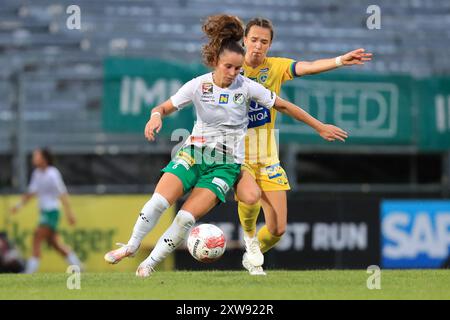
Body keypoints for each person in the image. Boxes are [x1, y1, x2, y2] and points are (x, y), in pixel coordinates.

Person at [103, 14, 348, 277]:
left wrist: (319, 126)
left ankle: (149, 264)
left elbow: (285, 106)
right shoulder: (198, 85)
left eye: (238, 69)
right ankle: (130, 246)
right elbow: (163, 107)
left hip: (226, 166)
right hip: (194, 154)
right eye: (229, 67)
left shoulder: (248, 86)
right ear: (215, 62)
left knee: (186, 218)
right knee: (159, 202)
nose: (233, 74)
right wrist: (155, 117)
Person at [235, 17, 373, 275]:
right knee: (250, 196)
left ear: (270, 45)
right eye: (253, 40)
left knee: (278, 229)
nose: (257, 46)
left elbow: (308, 67)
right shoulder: (231, 67)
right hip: (238, 154)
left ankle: (251, 252)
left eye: (264, 42)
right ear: (244, 40)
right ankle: (250, 240)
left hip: (267, 156)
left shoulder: (274, 68)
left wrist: (340, 61)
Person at [10, 148, 82, 273]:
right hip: (44, 212)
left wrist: (69, 213)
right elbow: (31, 193)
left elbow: (62, 194)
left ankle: (29, 272)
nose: (34, 158)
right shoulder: (37, 174)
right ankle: (77, 266)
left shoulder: (52, 173)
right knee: (55, 244)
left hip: (52, 212)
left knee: (37, 237)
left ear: (44, 158)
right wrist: (18, 206)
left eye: (36, 156)